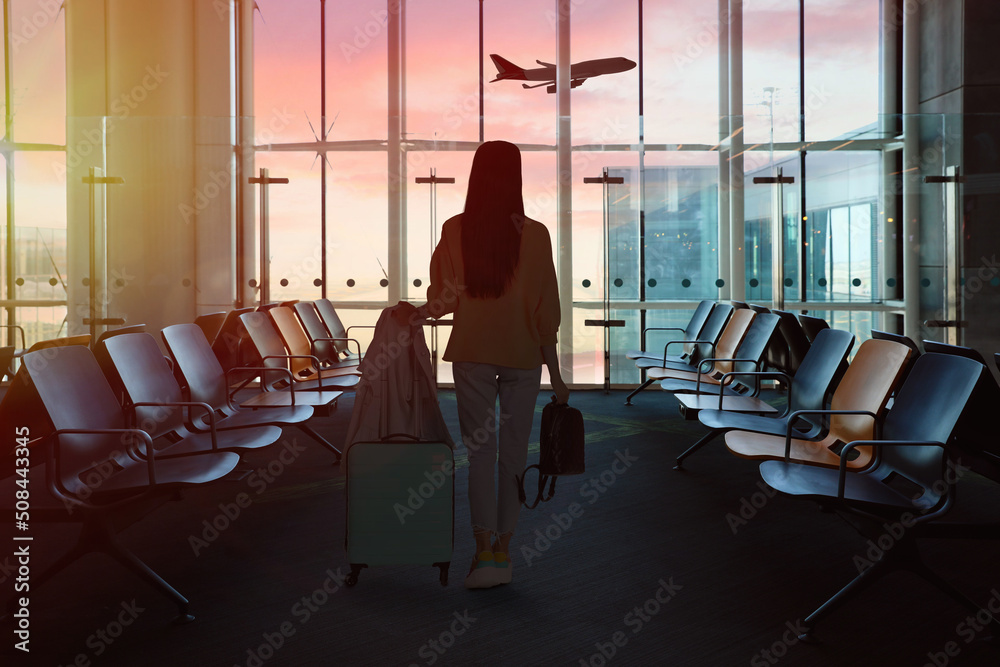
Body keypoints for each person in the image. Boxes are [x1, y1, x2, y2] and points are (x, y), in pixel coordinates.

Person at [399, 140, 568, 589]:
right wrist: (557, 374)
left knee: (480, 456)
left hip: (472, 355)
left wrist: (414, 313)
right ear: (515, 178)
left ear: (476, 176)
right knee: (513, 456)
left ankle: (482, 553)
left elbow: (443, 298)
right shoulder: (535, 234)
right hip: (523, 358)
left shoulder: (456, 229)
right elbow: (544, 312)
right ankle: (505, 553)